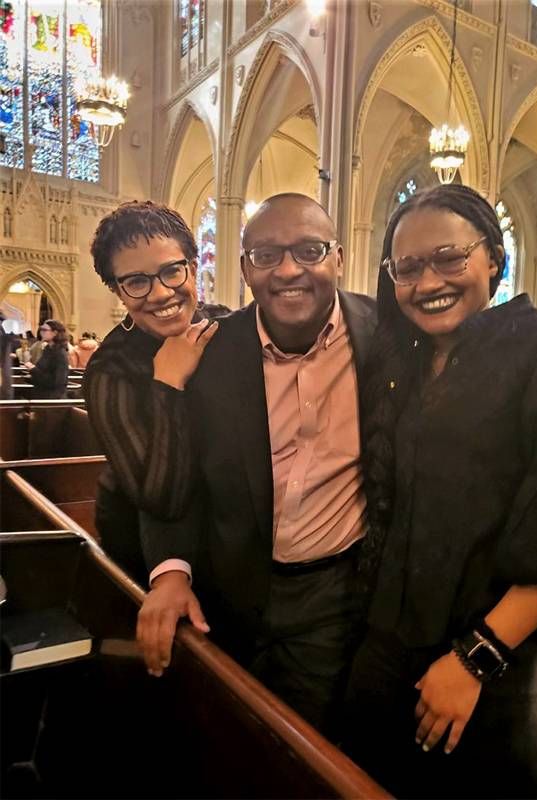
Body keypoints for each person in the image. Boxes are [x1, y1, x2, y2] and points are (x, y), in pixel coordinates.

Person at [342, 184, 537, 799]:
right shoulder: (401, 361)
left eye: (450, 257)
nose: (427, 280)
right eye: (407, 267)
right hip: (388, 645)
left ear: (493, 258)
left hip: (497, 663)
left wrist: (474, 659)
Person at [136, 193, 377, 737]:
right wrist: (171, 572)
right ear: (244, 268)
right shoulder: (209, 353)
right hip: (227, 590)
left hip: (333, 597)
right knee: (217, 737)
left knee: (306, 750)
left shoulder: (384, 337)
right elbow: (177, 477)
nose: (289, 269)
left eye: (310, 250)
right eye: (267, 255)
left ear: (338, 257)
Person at [83, 201, 228, 583]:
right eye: (136, 281)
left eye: (171, 271)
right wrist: (168, 381)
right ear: (118, 291)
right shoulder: (109, 369)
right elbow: (163, 499)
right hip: (142, 552)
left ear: (193, 269)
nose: (161, 293)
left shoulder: (226, 330)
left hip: (226, 536)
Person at [24, 319, 69, 399]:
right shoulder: (47, 350)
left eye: (44, 330)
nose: (41, 332)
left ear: (55, 333)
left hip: (52, 399)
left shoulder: (60, 353)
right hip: (41, 394)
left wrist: (33, 369)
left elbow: (57, 382)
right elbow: (43, 372)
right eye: (41, 329)